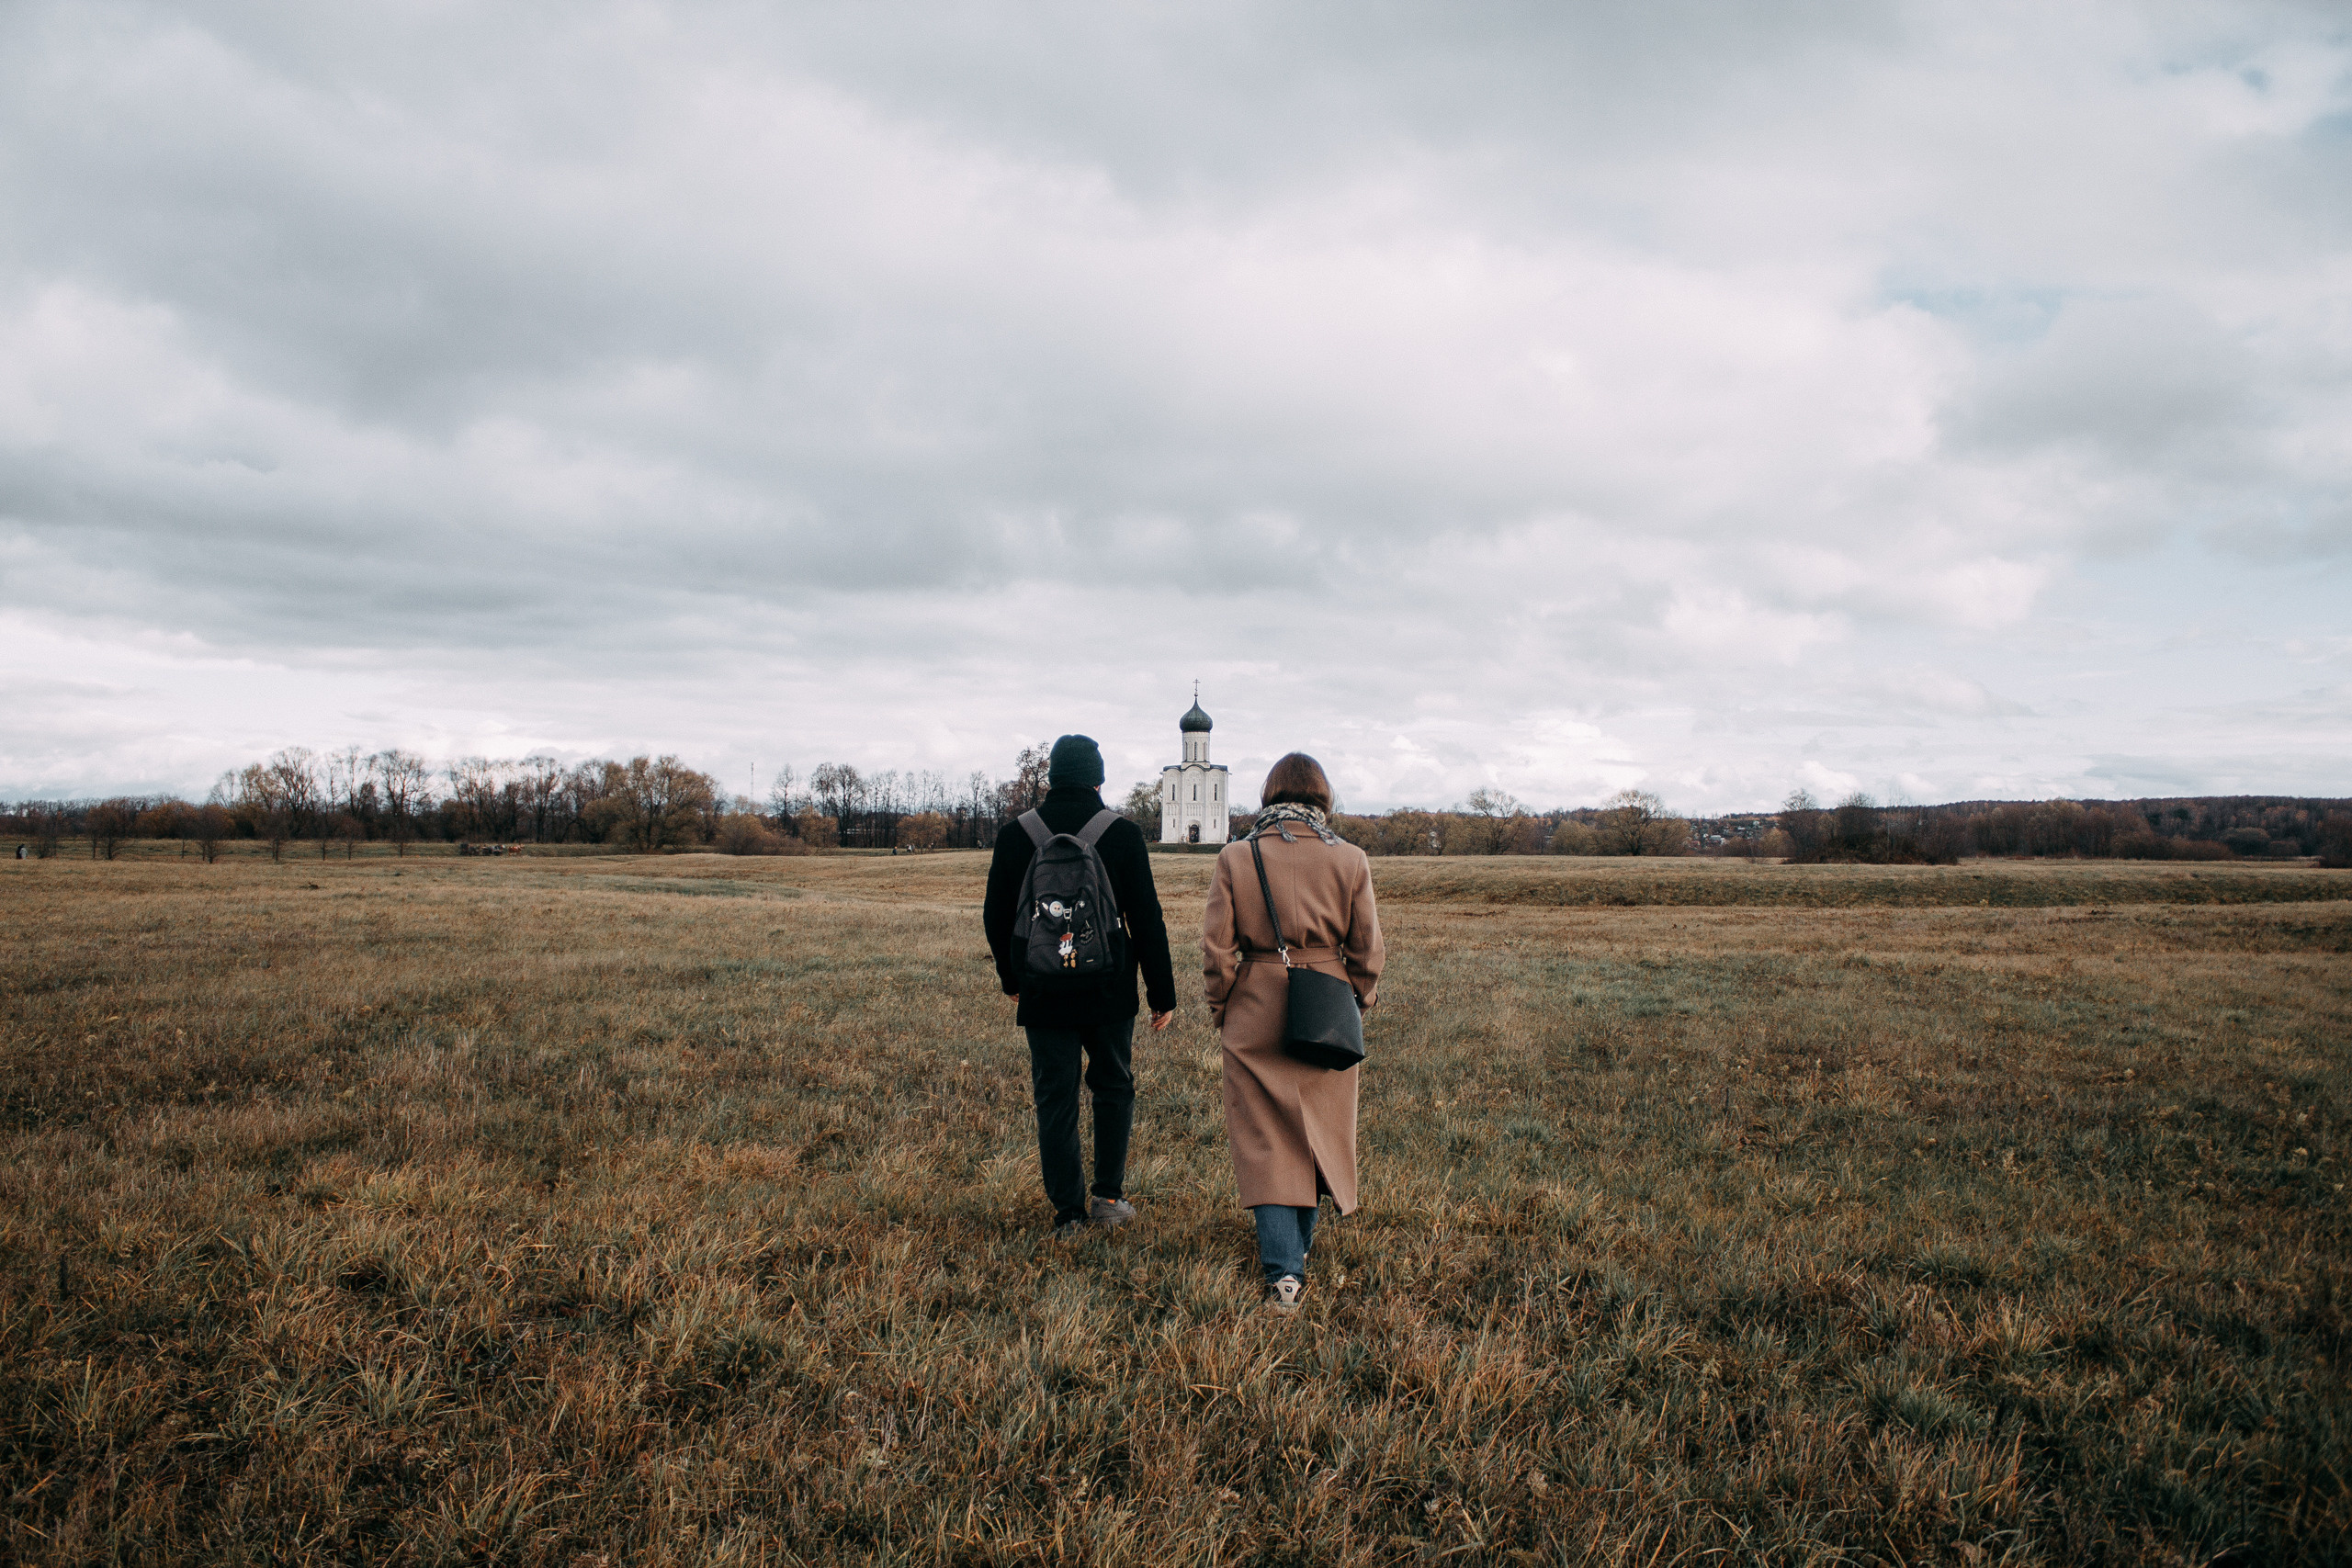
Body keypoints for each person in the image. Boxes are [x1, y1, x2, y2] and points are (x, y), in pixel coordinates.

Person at [1203, 752, 1385, 1314]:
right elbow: (1368, 950)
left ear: (1268, 795)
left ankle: (1286, 1274)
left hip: (1256, 1003)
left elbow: (1216, 949)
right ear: (1323, 799)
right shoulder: (1351, 859)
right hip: (1327, 1004)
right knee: (1316, 1133)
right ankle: (1294, 1256)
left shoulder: (1237, 855)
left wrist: (1224, 1007)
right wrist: (1356, 998)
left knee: (1267, 1139)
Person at [984, 734, 1177, 1238]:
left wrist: (1013, 979)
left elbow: (996, 916)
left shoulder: (1015, 834)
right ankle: (1109, 1197)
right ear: (1099, 778)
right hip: (1109, 989)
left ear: (1050, 776)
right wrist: (1162, 994)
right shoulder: (1122, 834)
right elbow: (1147, 919)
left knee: (1055, 1096)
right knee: (1113, 1086)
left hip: (1043, 991)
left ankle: (1068, 1212)